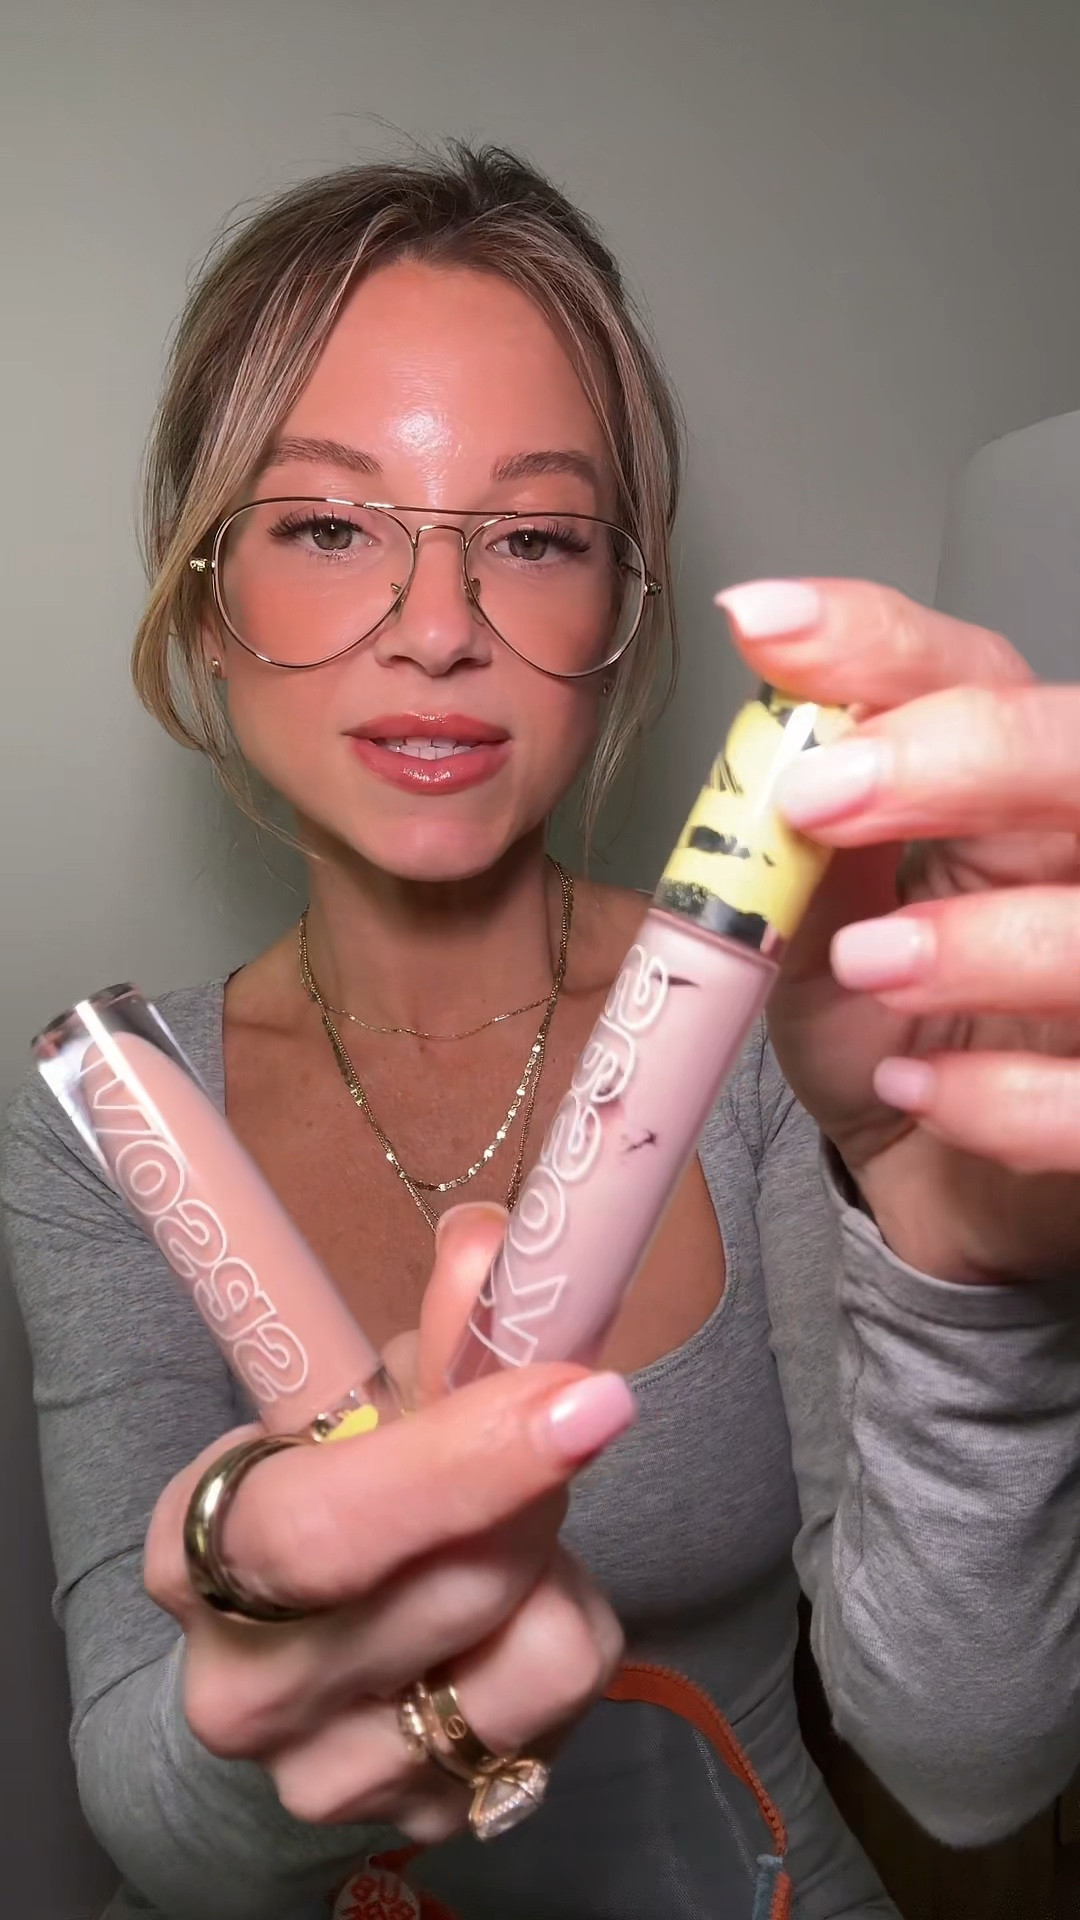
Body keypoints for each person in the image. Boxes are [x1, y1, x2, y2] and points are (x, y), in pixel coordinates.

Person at [4, 143, 1080, 1920]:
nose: (440, 630)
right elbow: (146, 1809)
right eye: (328, 524)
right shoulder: (109, 1105)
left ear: (624, 613)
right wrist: (296, 1637)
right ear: (207, 596)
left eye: (535, 537)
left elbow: (972, 1778)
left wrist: (973, 1284)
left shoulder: (795, 1036)